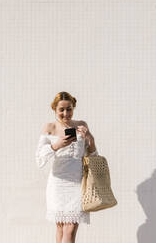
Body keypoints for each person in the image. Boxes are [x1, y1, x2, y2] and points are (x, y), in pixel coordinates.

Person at [35, 91, 99, 243]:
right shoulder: (49, 127)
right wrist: (57, 145)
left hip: (77, 183)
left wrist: (90, 138)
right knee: (60, 227)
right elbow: (39, 157)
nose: (66, 113)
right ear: (55, 109)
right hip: (58, 184)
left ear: (73, 107)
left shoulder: (81, 125)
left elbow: (93, 155)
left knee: (70, 229)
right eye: (61, 110)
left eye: (69, 109)